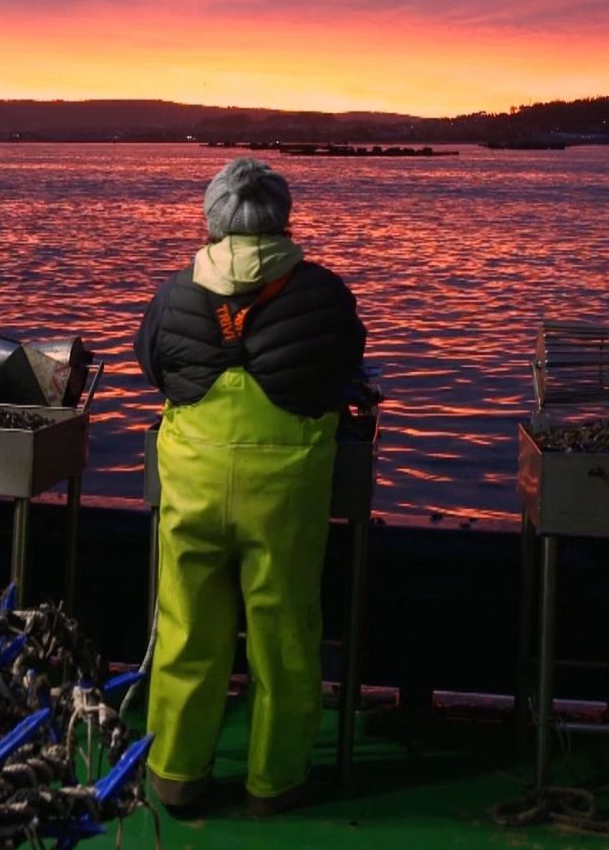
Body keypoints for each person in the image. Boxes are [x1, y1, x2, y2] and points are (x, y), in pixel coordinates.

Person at [133, 157, 367, 816]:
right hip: (285, 492)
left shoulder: (176, 291)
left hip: (193, 485)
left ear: (209, 222)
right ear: (284, 219)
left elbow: (150, 360)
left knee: (186, 631)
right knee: (286, 635)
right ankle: (275, 783)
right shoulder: (322, 291)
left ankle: (176, 779)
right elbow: (348, 357)